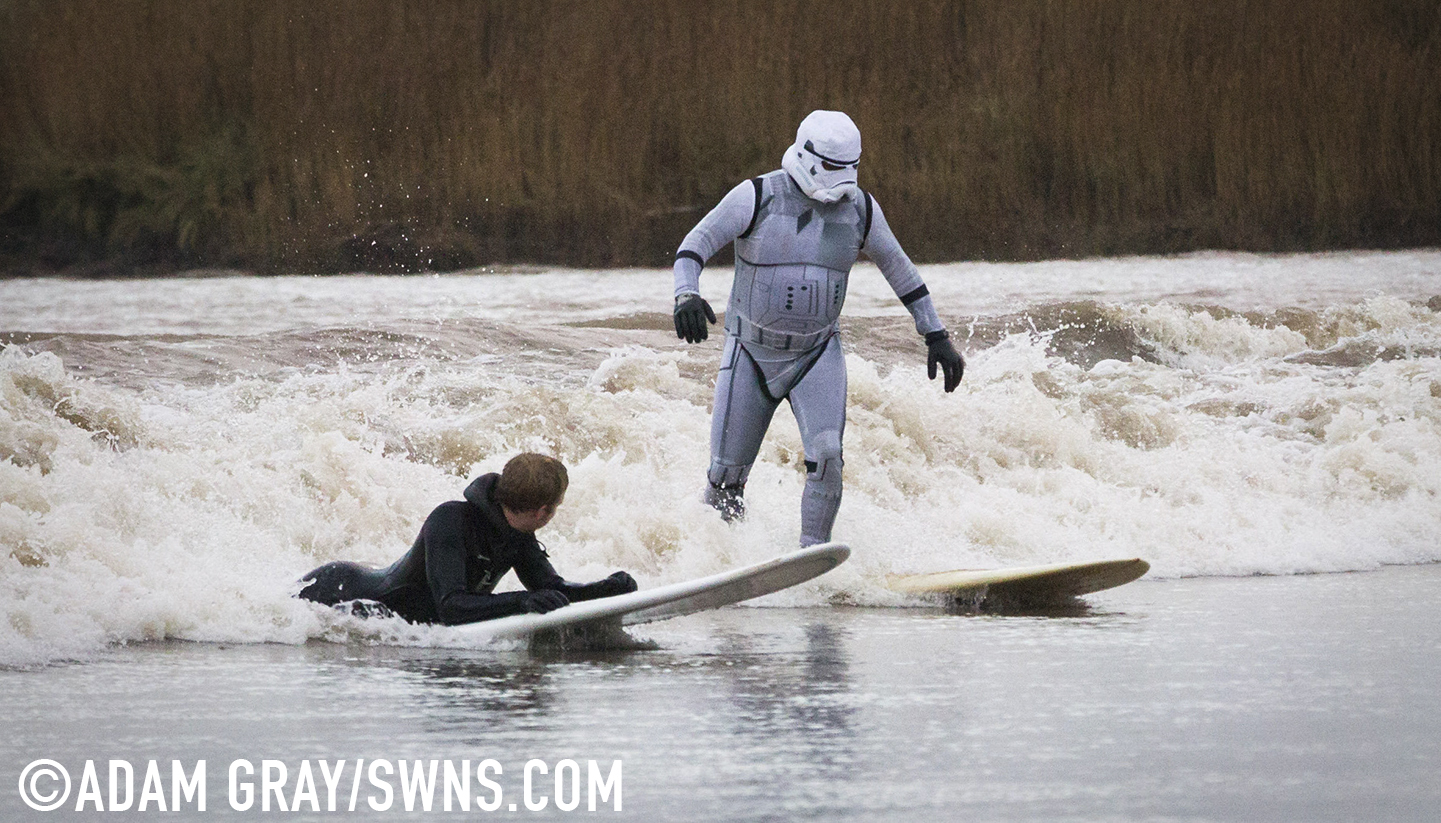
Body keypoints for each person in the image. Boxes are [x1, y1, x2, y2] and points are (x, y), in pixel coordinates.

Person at [672, 110, 965, 547]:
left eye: (851, 168)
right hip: (750, 353)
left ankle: (814, 556)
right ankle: (716, 559)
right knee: (726, 477)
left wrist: (936, 335)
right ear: (806, 156)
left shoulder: (862, 208)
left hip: (816, 354)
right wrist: (686, 295)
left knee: (828, 458)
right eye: (833, 167)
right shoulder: (755, 196)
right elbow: (692, 246)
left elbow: (901, 271)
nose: (843, 180)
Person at [297, 453, 637, 625]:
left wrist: (604, 589)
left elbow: (550, 589)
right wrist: (521, 602)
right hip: (337, 592)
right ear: (543, 511)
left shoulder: (518, 534)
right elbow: (451, 607)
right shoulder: (450, 520)